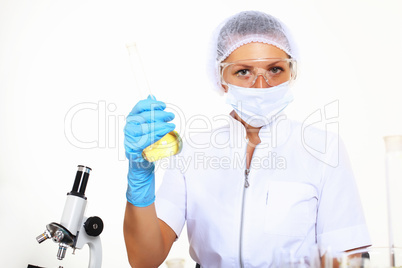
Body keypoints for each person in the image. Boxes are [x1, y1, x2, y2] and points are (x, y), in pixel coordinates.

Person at [123, 10, 371, 268]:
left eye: (275, 69)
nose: (261, 86)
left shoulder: (324, 150)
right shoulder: (191, 153)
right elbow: (145, 259)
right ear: (221, 78)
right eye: (243, 72)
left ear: (292, 72)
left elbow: (346, 260)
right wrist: (139, 181)